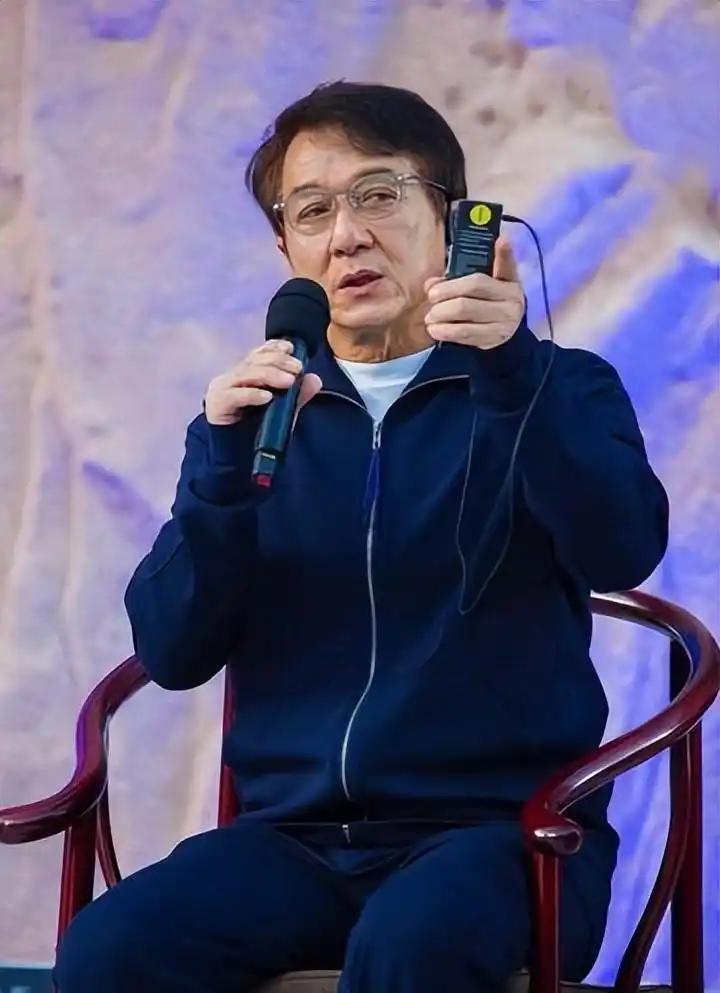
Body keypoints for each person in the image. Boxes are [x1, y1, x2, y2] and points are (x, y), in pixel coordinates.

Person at [54, 81, 669, 993]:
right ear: (286, 249)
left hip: (506, 838)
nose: (347, 235)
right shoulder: (254, 424)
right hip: (294, 843)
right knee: (111, 950)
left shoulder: (558, 386)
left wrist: (511, 378)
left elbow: (620, 549)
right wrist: (222, 477)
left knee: (412, 944)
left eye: (378, 194)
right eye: (312, 211)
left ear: (451, 216)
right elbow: (174, 652)